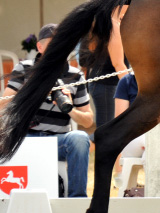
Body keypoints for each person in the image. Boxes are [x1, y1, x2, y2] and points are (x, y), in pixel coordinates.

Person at [0, 24, 93, 197]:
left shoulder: (75, 75)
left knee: (79, 138)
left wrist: (69, 108)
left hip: (57, 141)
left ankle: (76, 201)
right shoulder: (25, 68)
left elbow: (88, 121)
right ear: (40, 47)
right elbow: (3, 105)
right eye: (53, 43)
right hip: (24, 138)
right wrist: (30, 89)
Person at [81, 0, 130, 137]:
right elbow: (118, 64)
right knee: (107, 131)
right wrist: (132, 87)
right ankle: (86, 145)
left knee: (108, 129)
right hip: (106, 84)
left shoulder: (105, 24)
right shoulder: (109, 25)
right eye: (127, 3)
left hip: (104, 83)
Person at [112, 72, 145, 188]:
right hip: (132, 137)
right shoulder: (127, 81)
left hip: (157, 138)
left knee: (153, 149)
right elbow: (120, 122)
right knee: (152, 146)